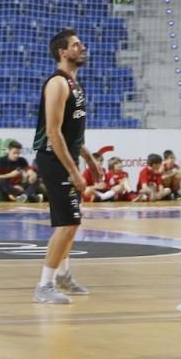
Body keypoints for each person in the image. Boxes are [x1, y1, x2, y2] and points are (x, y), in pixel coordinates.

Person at [32, 29, 103, 304]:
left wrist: (89, 158)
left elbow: (72, 133)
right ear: (63, 52)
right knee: (67, 222)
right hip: (53, 159)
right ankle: (44, 286)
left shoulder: (75, 84)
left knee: (71, 222)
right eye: (76, 45)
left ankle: (63, 276)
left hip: (67, 158)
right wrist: (74, 171)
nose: (82, 47)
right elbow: (53, 132)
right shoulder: (57, 83)